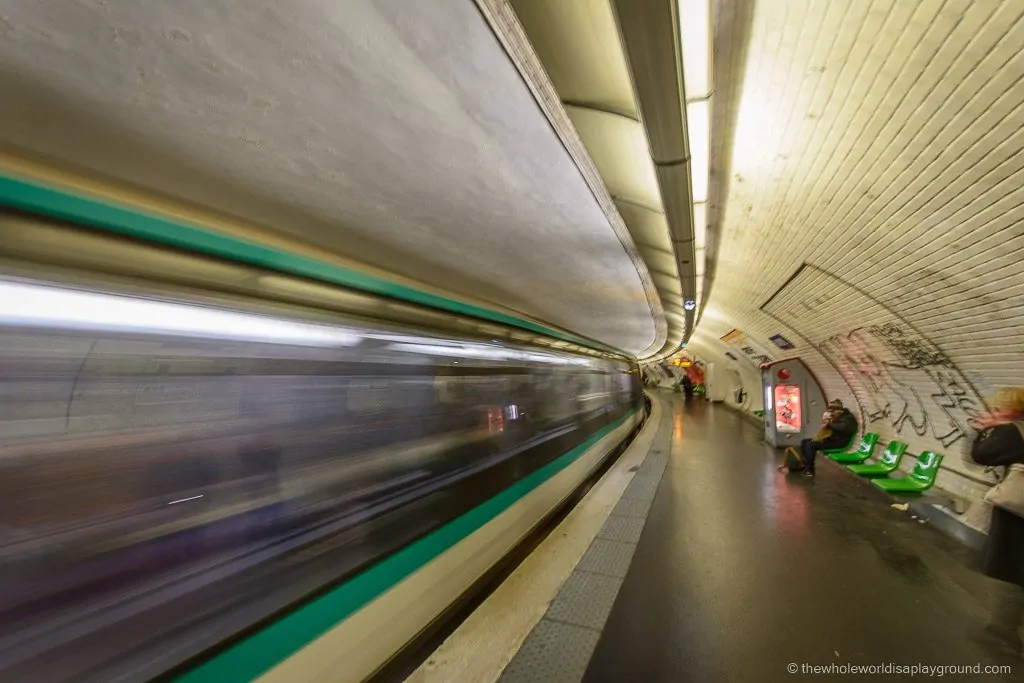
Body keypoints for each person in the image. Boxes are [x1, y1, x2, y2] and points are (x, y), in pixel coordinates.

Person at [967, 388, 1024, 656]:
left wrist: (979, 430)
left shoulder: (1013, 431)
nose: (995, 413)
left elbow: (979, 456)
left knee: (1013, 564)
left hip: (1018, 509)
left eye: (999, 409)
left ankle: (1002, 634)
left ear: (1012, 410)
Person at [798, 398, 858, 478]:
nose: (831, 414)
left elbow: (843, 428)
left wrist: (829, 425)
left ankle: (810, 469)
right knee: (804, 441)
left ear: (838, 411)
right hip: (833, 439)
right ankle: (805, 465)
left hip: (839, 442)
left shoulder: (848, 418)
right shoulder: (839, 417)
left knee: (810, 445)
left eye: (832, 412)